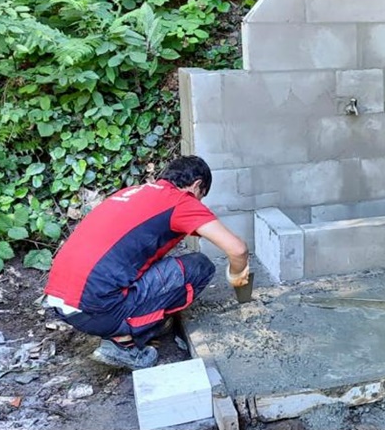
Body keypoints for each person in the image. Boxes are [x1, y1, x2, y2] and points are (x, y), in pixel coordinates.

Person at [43, 155, 250, 370]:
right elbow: (238, 249)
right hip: (98, 310)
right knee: (200, 266)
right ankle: (124, 343)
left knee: (157, 265)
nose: (199, 203)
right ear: (196, 185)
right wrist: (237, 277)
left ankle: (125, 325)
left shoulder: (133, 192)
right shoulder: (180, 201)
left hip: (62, 301)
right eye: (201, 196)